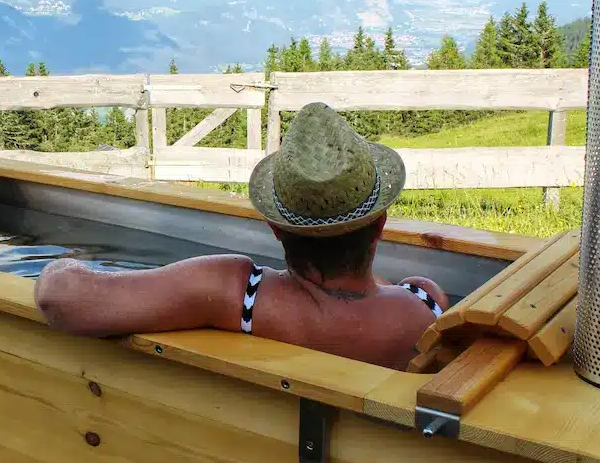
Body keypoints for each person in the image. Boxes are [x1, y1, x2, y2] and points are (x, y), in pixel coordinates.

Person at [33, 102, 447, 370]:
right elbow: (370, 295)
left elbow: (60, 297)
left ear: (275, 228)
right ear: (381, 221)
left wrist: (61, 264)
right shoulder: (427, 306)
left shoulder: (237, 294)